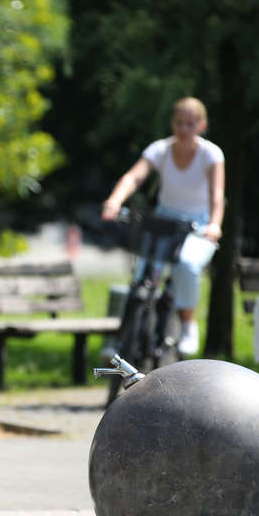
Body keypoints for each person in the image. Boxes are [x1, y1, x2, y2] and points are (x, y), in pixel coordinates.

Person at [101, 97, 225, 355]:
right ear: (173, 123)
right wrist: (115, 200)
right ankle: (122, 339)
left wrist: (214, 224)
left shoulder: (211, 154)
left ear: (201, 126)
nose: (184, 129)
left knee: (187, 265)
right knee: (141, 277)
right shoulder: (160, 149)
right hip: (164, 221)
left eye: (190, 124)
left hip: (196, 225)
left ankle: (188, 323)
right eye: (180, 123)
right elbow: (134, 177)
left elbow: (216, 194)